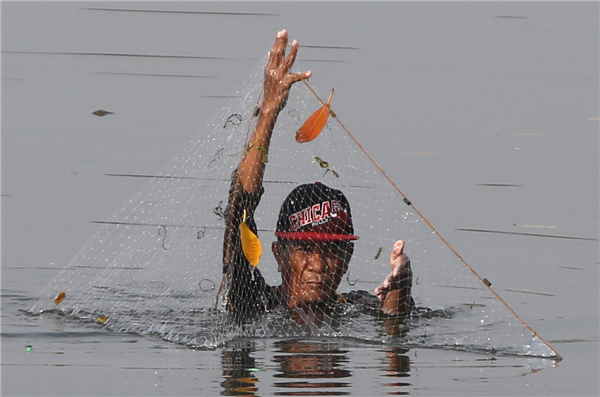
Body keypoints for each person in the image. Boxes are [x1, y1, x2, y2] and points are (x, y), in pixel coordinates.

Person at [221, 30, 413, 328]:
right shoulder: (254, 301)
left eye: (332, 251)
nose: (319, 266)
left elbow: (394, 327)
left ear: (348, 256)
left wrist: (400, 289)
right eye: (305, 249)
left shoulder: (358, 308)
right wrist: (269, 109)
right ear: (278, 253)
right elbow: (239, 212)